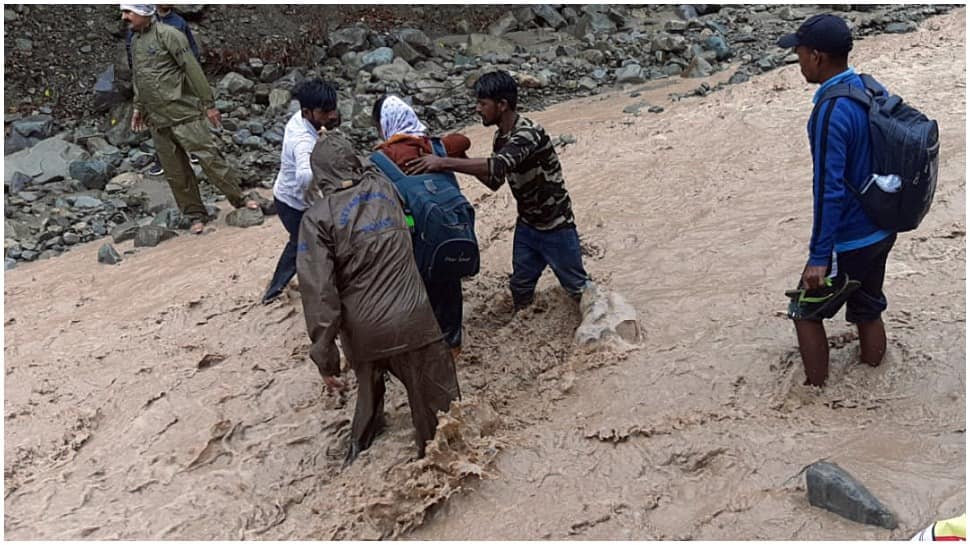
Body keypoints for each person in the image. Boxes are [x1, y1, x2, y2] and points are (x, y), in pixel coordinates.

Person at [296, 132, 461, 464]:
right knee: (440, 414)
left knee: (368, 395)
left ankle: (358, 452)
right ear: (355, 163)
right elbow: (374, 166)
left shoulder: (316, 219)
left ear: (319, 175)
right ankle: (438, 466)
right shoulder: (385, 188)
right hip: (415, 321)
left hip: (363, 334)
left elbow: (319, 294)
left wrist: (325, 359)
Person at [406, 70, 591, 311]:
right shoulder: (501, 137)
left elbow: (498, 165)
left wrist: (443, 162)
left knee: (578, 289)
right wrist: (461, 157)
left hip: (556, 225)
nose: (477, 109)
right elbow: (494, 180)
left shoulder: (528, 133)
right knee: (520, 288)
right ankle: (528, 328)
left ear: (502, 105)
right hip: (528, 225)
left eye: (483, 103)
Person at [777, 13, 897, 387]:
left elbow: (828, 189)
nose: (797, 62)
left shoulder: (830, 111)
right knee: (867, 306)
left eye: (797, 53)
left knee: (804, 313)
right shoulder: (866, 88)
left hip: (850, 237)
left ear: (816, 56)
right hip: (882, 226)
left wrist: (818, 257)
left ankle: (814, 397)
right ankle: (875, 378)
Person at [122, 4, 258, 235]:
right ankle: (195, 214)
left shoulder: (170, 35)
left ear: (144, 13)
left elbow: (192, 69)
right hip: (156, 118)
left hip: (183, 112)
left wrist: (209, 104)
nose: (124, 17)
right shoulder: (134, 40)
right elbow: (139, 76)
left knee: (209, 158)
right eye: (123, 11)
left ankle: (239, 199)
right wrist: (137, 107)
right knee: (175, 171)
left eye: (129, 12)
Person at [371, 94, 471, 357]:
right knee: (448, 285)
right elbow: (464, 140)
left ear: (385, 125)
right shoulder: (438, 147)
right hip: (447, 232)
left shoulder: (380, 159)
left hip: (412, 234)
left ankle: (422, 348)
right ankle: (454, 345)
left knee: (416, 289)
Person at [261, 79, 340, 304]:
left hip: (288, 195)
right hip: (293, 202)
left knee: (316, 242)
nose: (332, 115)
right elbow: (305, 178)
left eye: (332, 108)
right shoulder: (303, 140)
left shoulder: (302, 120)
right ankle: (274, 292)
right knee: (301, 245)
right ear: (307, 112)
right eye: (326, 112)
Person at [125, 4, 201, 177]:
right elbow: (132, 53)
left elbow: (191, 52)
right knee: (160, 123)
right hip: (151, 83)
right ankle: (163, 160)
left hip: (175, 80)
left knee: (185, 116)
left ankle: (194, 149)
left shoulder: (178, 22)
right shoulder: (142, 23)